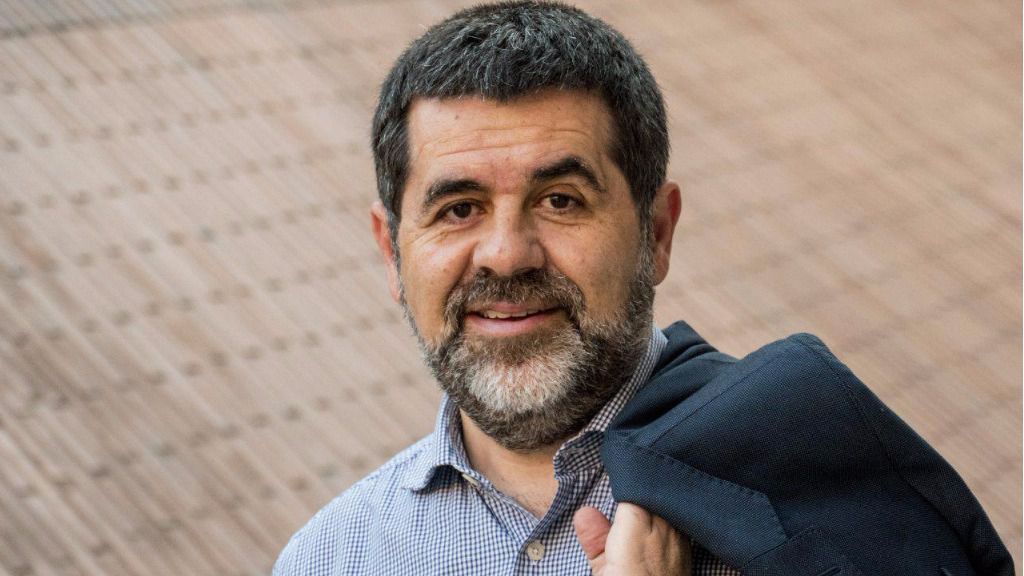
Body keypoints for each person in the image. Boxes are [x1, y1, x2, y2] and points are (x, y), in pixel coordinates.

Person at [274, 2, 1010, 575]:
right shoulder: (331, 558)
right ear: (391, 252)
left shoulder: (823, 492)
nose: (506, 255)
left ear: (656, 232)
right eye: (459, 209)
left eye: (560, 200)